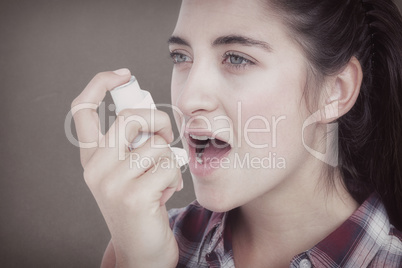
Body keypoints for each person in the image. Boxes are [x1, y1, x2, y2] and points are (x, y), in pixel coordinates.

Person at [71, 0, 402, 267]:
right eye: (181, 56)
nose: (187, 100)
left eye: (236, 59)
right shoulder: (146, 246)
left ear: (335, 92)